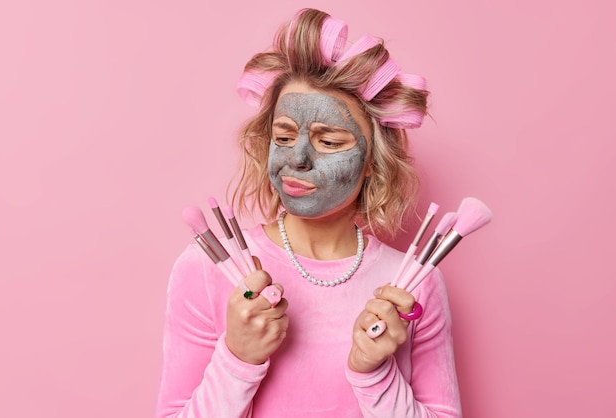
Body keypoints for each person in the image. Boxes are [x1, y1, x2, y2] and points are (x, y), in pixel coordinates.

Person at [156, 8, 462, 418]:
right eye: (283, 136)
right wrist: (237, 359)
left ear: (373, 160)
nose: (296, 158)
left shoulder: (413, 287)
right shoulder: (206, 270)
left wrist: (374, 375)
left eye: (330, 142)